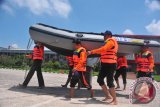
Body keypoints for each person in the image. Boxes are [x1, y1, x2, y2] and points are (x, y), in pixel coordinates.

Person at [88, 30, 118, 105]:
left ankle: (115, 100)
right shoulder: (106, 42)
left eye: (104, 35)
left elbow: (104, 49)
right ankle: (108, 96)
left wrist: (91, 52)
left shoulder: (111, 41)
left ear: (109, 35)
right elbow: (102, 51)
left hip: (111, 64)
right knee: (100, 79)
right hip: (105, 64)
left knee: (110, 82)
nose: (103, 37)